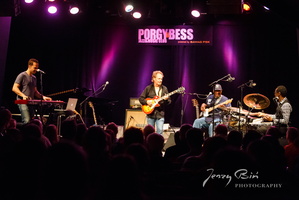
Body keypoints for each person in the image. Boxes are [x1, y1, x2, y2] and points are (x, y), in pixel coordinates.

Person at [12, 58, 52, 124]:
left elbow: (35, 91)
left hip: (30, 102)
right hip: (22, 101)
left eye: (37, 68)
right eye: (35, 68)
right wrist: (23, 95)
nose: (36, 69)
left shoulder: (34, 78)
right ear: (29, 66)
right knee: (27, 120)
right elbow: (14, 88)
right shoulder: (22, 75)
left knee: (32, 121)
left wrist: (43, 97)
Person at [139, 70, 171, 135]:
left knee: (160, 133)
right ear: (154, 78)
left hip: (160, 115)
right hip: (150, 114)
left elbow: (169, 102)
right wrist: (147, 102)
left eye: (161, 79)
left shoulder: (164, 89)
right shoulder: (148, 88)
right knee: (149, 133)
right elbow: (141, 99)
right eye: (159, 78)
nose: (160, 80)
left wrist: (166, 99)